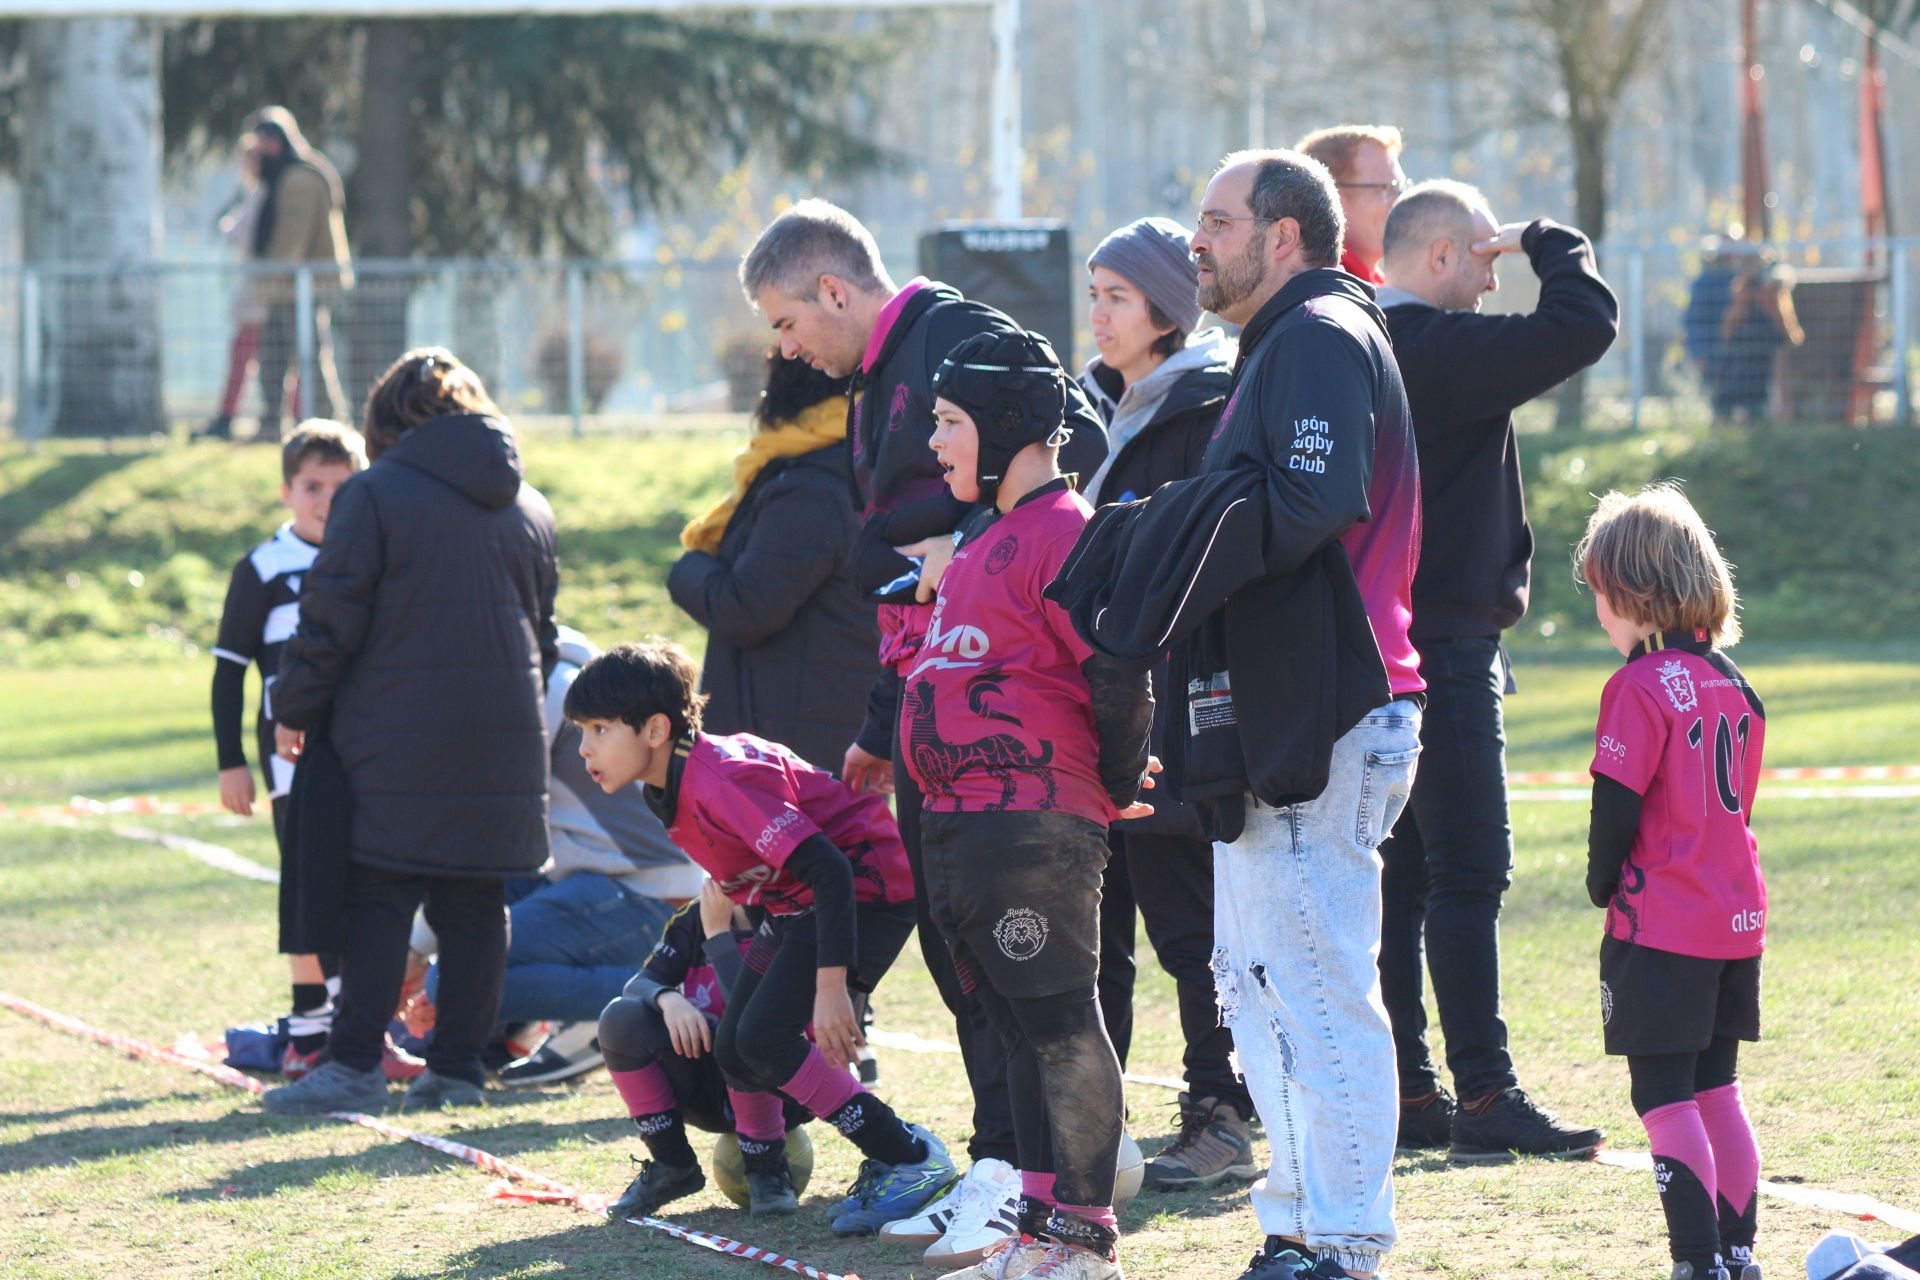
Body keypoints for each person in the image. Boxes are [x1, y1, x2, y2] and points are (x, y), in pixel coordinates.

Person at [1052, 149, 1424, 1280]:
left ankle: (1344, 1240)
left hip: (1329, 708)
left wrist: (1170, 538)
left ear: (1285, 237)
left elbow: (1314, 494)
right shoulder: (1287, 340)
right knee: (1259, 983)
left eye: (1217, 222)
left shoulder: (1316, 334)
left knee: (1312, 984)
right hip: (1284, 709)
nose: (1196, 241)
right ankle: (1300, 1222)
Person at [739, 198, 1108, 1266]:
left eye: (786, 318)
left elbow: (1068, 434)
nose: (784, 344)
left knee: (1025, 971)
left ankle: (1046, 1190)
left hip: (1012, 730)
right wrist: (877, 716)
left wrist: (977, 530)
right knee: (966, 964)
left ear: (836, 291)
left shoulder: (955, 333)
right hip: (929, 705)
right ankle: (1002, 1166)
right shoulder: (875, 379)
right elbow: (892, 562)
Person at [900, 329, 1155, 1280]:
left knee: (1058, 1023)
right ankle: (1037, 1226)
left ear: (1009, 428)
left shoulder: (1065, 531)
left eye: (951, 422)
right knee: (1010, 1029)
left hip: (1030, 822)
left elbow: (1118, 669)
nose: (936, 443)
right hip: (959, 821)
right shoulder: (983, 535)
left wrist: (1118, 779)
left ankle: (1085, 1240)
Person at [1372, 180, 1617, 1159]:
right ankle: (1485, 1094)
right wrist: (1543, 236)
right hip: (1447, 639)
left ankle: (1413, 1091)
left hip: (1382, 641)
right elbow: (1582, 321)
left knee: (1403, 876)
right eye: (1479, 257)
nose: (1490, 273)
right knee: (1469, 870)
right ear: (1437, 259)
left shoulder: (1360, 346)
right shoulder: (1436, 348)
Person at [566, 640, 956, 1234]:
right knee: (737, 1048)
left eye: (597, 728)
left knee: (767, 1040)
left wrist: (833, 989)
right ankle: (846, 1156)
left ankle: (908, 1158)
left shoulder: (716, 779)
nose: (585, 747)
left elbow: (831, 871)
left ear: (654, 729)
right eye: (580, 730)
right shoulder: (663, 784)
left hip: (865, 891)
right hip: (798, 904)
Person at [260, 347, 559, 1116]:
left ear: (387, 422)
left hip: (395, 733)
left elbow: (331, 619)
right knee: (475, 900)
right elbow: (545, 638)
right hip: (504, 735)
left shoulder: (375, 495)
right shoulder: (530, 506)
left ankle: (355, 1060)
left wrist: (294, 706)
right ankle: (456, 1070)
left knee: (380, 891)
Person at [1078, 217, 1254, 1191]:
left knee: (1191, 929)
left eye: (1116, 295)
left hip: (1175, 698)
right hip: (1095, 702)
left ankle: (1220, 1114)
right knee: (1099, 934)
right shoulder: (1101, 406)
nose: (1096, 312)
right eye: (1093, 292)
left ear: (1166, 310)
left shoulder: (1201, 408)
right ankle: (1089, 1120)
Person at [1574, 483, 1766, 1280]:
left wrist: (1599, 880)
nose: (1598, 614)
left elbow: (1615, 810)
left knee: (1662, 1096)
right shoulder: (1736, 685)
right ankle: (1738, 1254)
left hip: (1663, 928)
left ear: (1631, 592)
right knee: (1717, 1089)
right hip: (1735, 922)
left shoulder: (1637, 687)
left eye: (1598, 596)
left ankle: (1696, 1263)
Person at [405, 626, 705, 1087]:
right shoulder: (558, 669)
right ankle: (513, 1029)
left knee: (452, 979)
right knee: (467, 940)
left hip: (649, 894)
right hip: (606, 877)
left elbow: (478, 832)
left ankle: (677, 997)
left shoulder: (538, 694)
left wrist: (415, 952)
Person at [211, 421, 366, 1075]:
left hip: (365, 751)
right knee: (309, 886)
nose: (327, 499)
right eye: (312, 486)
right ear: (286, 491)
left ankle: (358, 1022)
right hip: (292, 754)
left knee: (365, 886)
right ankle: (310, 1029)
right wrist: (231, 762)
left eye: (342, 485)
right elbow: (229, 671)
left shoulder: (372, 557)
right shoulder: (264, 566)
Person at [669, 351, 879, 773]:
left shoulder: (810, 490)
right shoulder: (850, 466)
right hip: (818, 731)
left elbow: (745, 608)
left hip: (787, 753)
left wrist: (686, 569)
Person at [597, 879, 813, 1219]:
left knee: (741, 1030)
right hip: (711, 1092)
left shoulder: (792, 913)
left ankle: (766, 1167)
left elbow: (754, 1014)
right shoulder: (692, 916)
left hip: (786, 1089)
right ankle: (673, 1164)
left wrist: (718, 936)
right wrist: (666, 997)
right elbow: (638, 984)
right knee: (619, 1019)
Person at [248, 106, 352, 433]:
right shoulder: (293, 174)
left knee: (309, 355)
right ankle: (271, 423)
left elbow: (292, 240)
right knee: (276, 357)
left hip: (300, 285)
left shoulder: (299, 179)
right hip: (287, 286)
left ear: (274, 142)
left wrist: (267, 276)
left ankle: (327, 422)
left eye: (260, 144)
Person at [205, 135, 269, 441]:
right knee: (245, 354)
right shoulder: (254, 192)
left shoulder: (262, 193)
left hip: (260, 293)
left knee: (250, 354)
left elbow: (241, 234)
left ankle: (228, 415)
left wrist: (228, 228)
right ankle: (227, 414)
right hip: (254, 290)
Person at [1297, 125, 1407, 284]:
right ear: (1331, 198)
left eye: (1400, 188)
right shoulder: (1324, 288)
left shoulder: (1376, 283)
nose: (1400, 201)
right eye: (1387, 188)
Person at [1710, 255, 1804, 424]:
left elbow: (1787, 328)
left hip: (1764, 357)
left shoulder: (1772, 293)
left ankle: (1766, 420)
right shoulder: (1742, 293)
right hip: (1742, 357)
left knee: (1760, 397)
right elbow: (1729, 329)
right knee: (1735, 394)